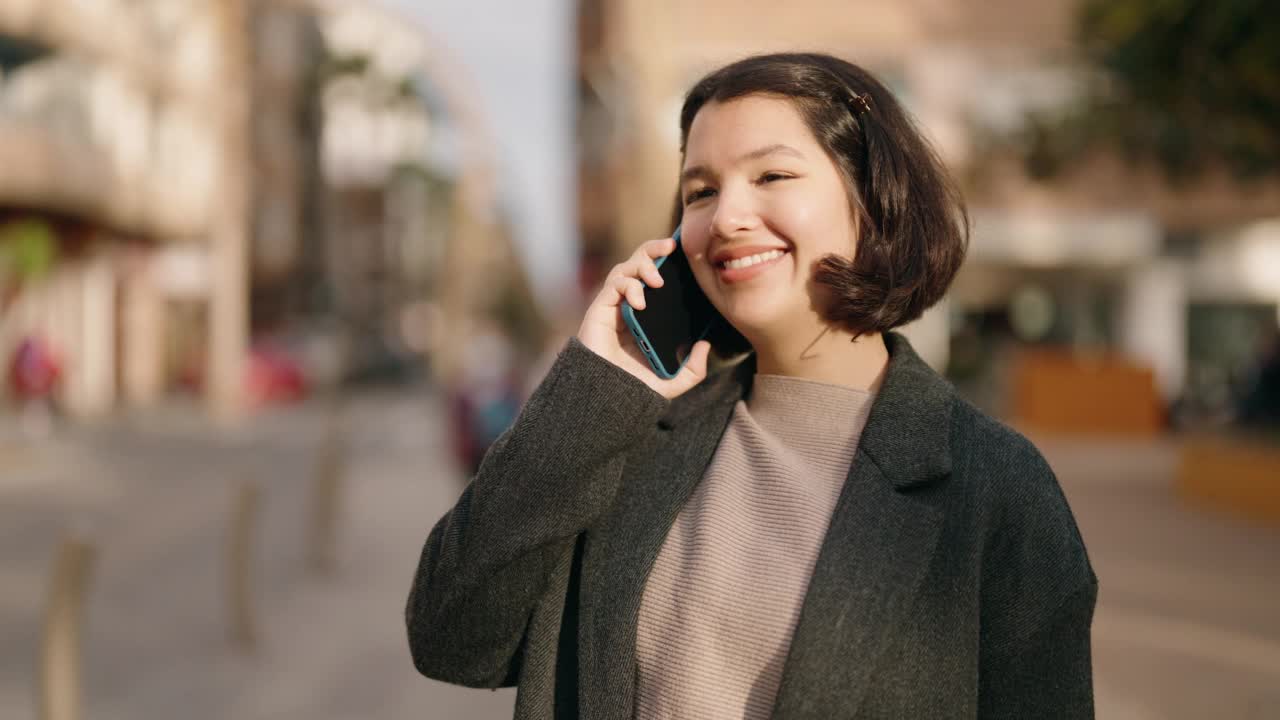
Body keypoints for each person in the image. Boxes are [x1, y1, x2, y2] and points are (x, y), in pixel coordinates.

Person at [406, 53, 1096, 719]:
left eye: (771, 175)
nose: (726, 218)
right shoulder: (626, 434)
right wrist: (597, 384)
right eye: (700, 191)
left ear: (872, 201)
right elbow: (452, 639)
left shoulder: (997, 489)